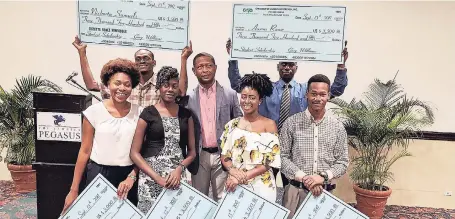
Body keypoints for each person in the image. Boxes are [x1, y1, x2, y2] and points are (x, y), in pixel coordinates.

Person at [225, 38, 349, 187]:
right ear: (278, 66)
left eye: (291, 64)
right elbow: (238, 85)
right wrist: (233, 58)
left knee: (290, 188)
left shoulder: (306, 90)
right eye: (284, 64)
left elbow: (336, 90)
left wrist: (341, 66)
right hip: (267, 147)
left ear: (296, 67)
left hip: (292, 152)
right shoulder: (266, 89)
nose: (287, 67)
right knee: (264, 183)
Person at [61, 58, 143, 214]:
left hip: (128, 177)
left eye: (127, 84)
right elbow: (84, 151)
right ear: (107, 84)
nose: (122, 88)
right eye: (117, 83)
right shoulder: (93, 112)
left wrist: (132, 176)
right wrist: (73, 189)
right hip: (98, 174)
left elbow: (142, 151)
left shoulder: (140, 113)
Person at [279, 74, 349, 218]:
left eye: (322, 94)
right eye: (314, 94)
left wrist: (322, 177)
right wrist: (306, 178)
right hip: (295, 192)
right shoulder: (291, 123)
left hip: (326, 193)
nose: (318, 98)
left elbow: (343, 162)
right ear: (307, 95)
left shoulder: (337, 127)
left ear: (328, 96)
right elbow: (282, 157)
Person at [129, 66, 197, 214]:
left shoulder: (186, 114)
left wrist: (179, 169)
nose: (170, 90)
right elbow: (134, 153)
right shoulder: (148, 113)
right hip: (151, 177)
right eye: (166, 85)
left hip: (178, 176)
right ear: (159, 87)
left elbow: (192, 152)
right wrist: (157, 178)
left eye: (174, 86)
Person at [181, 52, 243, 202]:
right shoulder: (189, 98)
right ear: (194, 71)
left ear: (215, 68)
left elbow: (239, 124)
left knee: (222, 200)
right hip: (199, 155)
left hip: (223, 155)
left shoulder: (230, 94)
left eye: (209, 66)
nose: (205, 70)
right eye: (200, 67)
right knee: (198, 200)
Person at [72, 36, 193, 105]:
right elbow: (91, 85)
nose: (142, 61)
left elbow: (181, 92)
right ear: (134, 63)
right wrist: (82, 53)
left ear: (154, 63)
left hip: (152, 139)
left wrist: (184, 59)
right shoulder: (125, 83)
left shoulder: (162, 83)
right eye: (138, 59)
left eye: (146, 58)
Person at [219, 73, 281, 202]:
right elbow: (225, 156)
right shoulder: (232, 124)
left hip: (261, 186)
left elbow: (269, 162)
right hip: (233, 183)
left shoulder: (269, 125)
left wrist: (242, 177)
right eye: (244, 97)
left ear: (260, 100)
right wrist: (233, 172)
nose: (247, 101)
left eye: (252, 98)